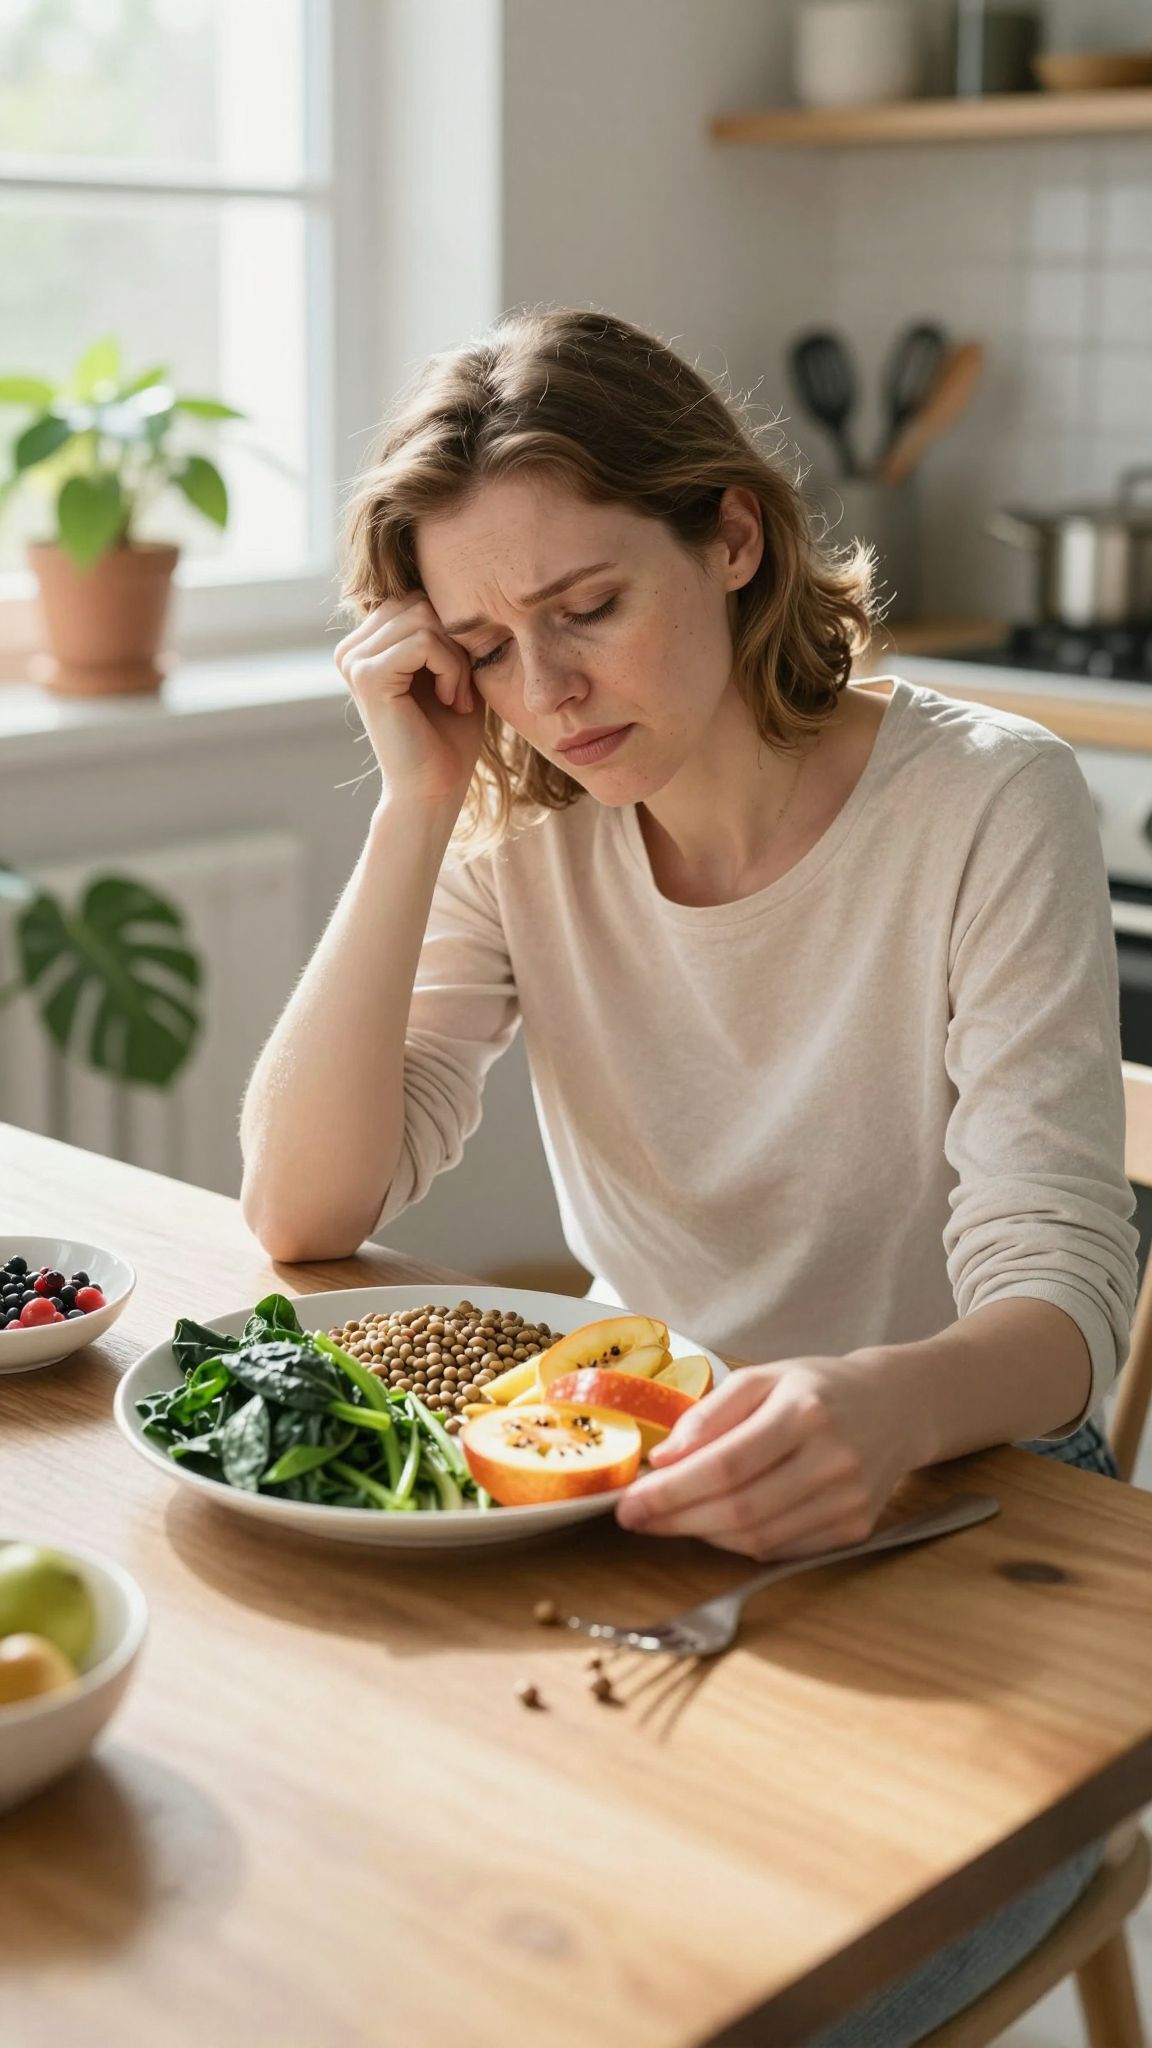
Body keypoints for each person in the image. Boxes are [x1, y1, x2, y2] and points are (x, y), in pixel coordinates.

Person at [239, 307, 1138, 2044]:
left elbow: (1060, 1301)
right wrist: (411, 805)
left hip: (972, 1488)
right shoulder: (522, 826)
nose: (550, 693)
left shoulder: (990, 801)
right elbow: (305, 1209)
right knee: (395, 1947)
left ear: (730, 536)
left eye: (587, 607)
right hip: (647, 1486)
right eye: (488, 646)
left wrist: (874, 1410)